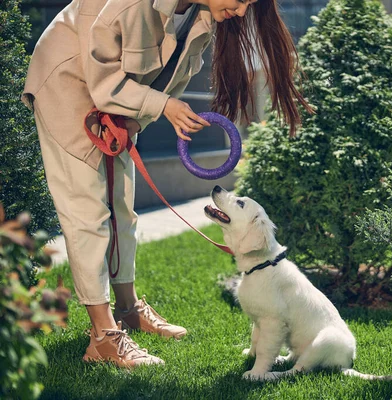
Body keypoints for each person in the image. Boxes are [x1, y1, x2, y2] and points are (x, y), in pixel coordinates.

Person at [22, 0, 311, 368]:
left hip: (117, 102)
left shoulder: (201, 15)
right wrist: (163, 108)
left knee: (122, 207)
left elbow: (169, 80)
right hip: (69, 83)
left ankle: (126, 310)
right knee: (88, 212)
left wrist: (139, 119)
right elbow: (102, 80)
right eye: (239, 1)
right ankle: (103, 338)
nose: (241, 12)